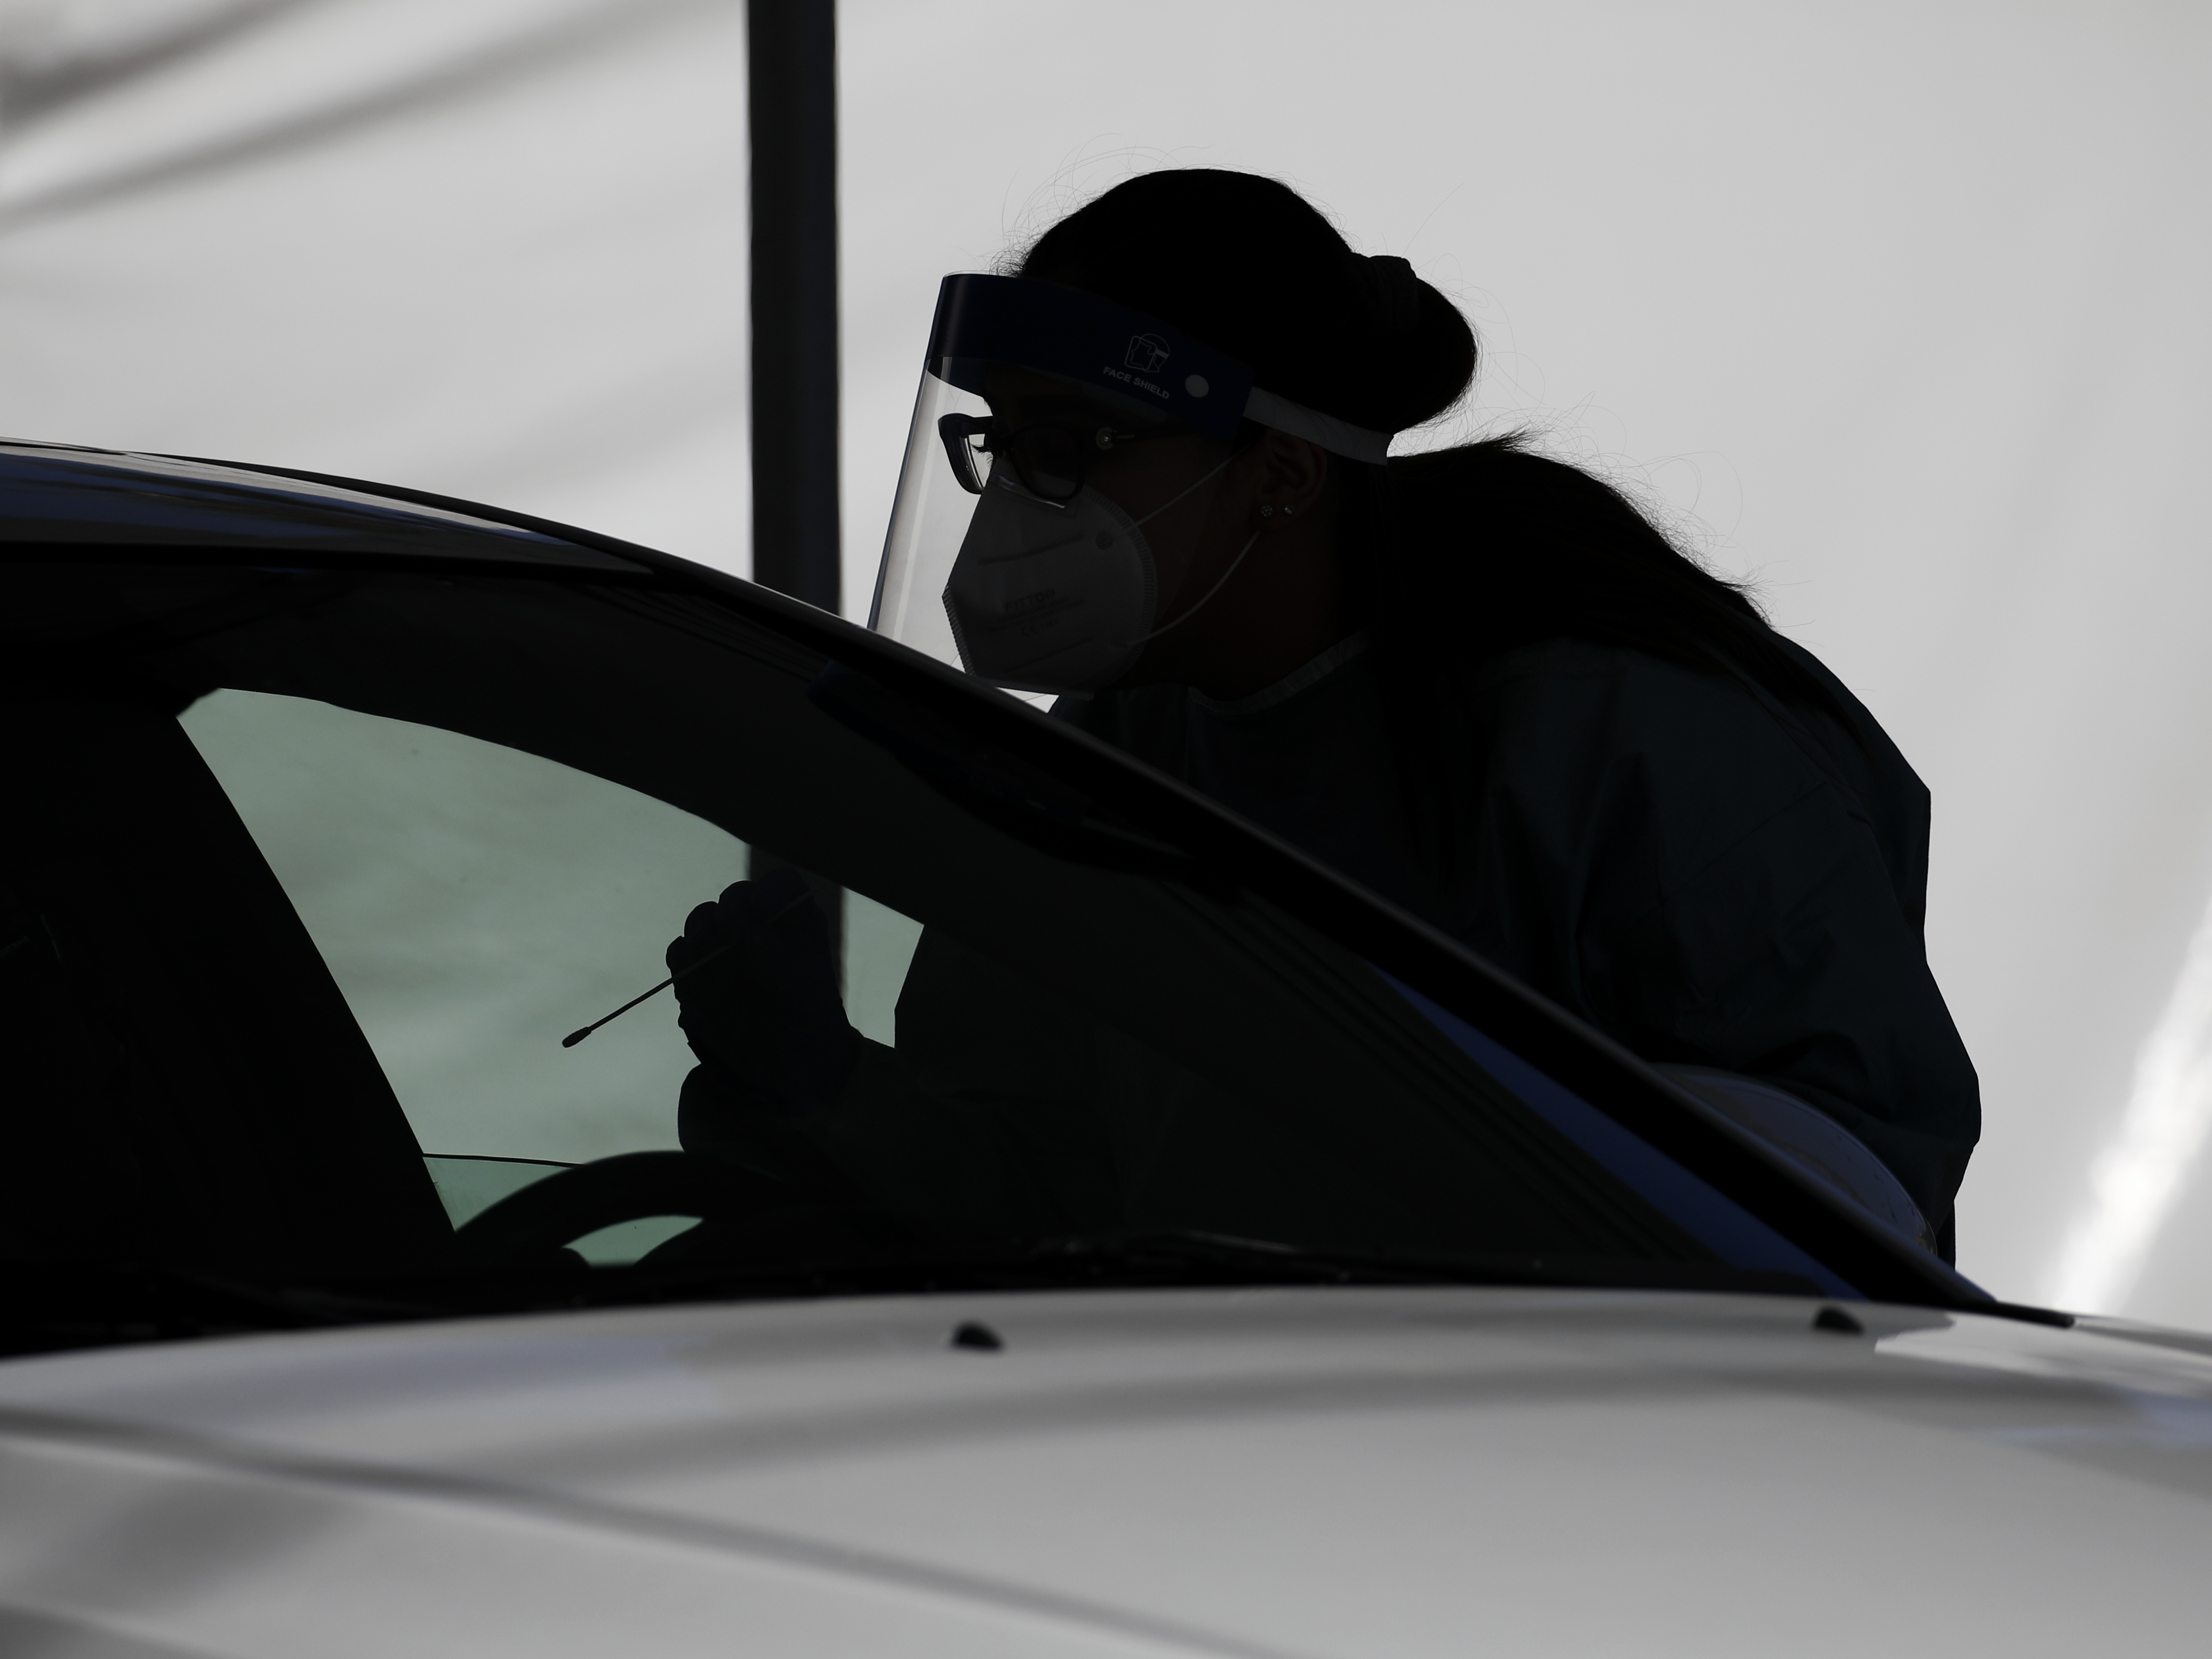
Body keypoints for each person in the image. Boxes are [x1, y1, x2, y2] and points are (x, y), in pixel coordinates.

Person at [676, 168, 1980, 1259]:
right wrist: (816, 1084)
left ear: (1282, 476)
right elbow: (1035, 1190)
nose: (1019, 501)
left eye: (1071, 444)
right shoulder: (1106, 762)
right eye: (1003, 445)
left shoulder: (1621, 739)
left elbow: (1844, 1195)